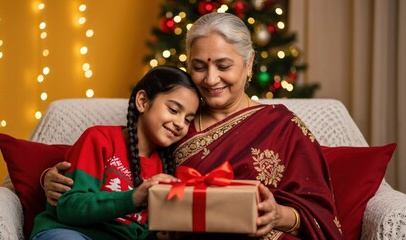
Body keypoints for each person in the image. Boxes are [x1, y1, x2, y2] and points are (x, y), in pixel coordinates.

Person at [43, 13, 344, 239]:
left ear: (249, 63)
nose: (211, 79)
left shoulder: (283, 127)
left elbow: (322, 212)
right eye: (199, 67)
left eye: (224, 66)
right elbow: (121, 165)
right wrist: (47, 177)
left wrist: (280, 216)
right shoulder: (172, 123)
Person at [30, 65, 200, 240]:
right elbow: (69, 209)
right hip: (71, 232)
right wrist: (134, 198)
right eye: (173, 110)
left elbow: (140, 231)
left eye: (188, 120)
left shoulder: (166, 167)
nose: (180, 123)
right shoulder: (99, 139)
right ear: (142, 101)